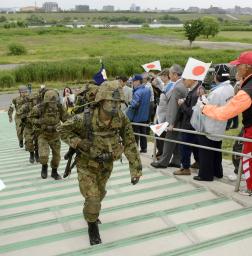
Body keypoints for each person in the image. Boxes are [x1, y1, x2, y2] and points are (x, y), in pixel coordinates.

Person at [58, 81, 142, 245]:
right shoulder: (85, 118)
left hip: (107, 164)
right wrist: (79, 143)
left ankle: (90, 210)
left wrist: (135, 170)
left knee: (100, 193)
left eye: (118, 102)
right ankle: (92, 226)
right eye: (111, 101)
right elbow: (62, 130)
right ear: (101, 100)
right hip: (86, 164)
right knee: (94, 197)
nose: (115, 105)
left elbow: (130, 143)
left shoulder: (121, 118)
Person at [202, 52, 252, 194]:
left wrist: (205, 108)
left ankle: (251, 189)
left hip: (251, 130)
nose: (236, 69)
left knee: (248, 159)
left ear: (247, 67)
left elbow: (225, 113)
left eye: (238, 66)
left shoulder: (247, 90)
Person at [194, 64, 234, 181]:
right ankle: (218, 172)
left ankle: (205, 175)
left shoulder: (217, 92)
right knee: (217, 151)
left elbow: (207, 108)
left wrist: (201, 98)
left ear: (216, 75)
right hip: (221, 123)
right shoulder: (230, 88)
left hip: (210, 124)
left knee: (206, 151)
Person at [151, 65, 187, 168]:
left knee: (169, 141)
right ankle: (176, 160)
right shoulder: (180, 84)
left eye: (170, 74)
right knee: (175, 141)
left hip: (174, 119)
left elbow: (173, 106)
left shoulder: (178, 87)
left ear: (175, 74)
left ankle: (163, 162)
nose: (169, 75)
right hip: (178, 119)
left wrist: (170, 122)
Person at [31, 89, 69, 180]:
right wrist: (39, 121)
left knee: (57, 156)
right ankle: (44, 167)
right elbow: (30, 118)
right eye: (50, 102)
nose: (53, 104)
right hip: (43, 135)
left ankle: (54, 172)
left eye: (54, 102)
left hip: (55, 135)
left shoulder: (60, 107)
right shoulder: (39, 108)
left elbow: (66, 119)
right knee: (43, 155)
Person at [173, 77, 205, 176]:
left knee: (185, 146)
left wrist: (182, 104)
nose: (183, 82)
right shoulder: (196, 90)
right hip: (193, 124)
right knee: (195, 145)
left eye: (185, 79)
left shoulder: (197, 92)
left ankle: (185, 168)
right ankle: (198, 162)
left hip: (189, 124)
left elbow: (191, 112)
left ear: (192, 79)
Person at [126, 74, 151, 153]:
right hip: (145, 115)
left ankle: (135, 148)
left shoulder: (137, 92)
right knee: (143, 132)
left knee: (135, 133)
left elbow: (134, 105)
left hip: (136, 116)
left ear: (137, 81)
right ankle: (144, 148)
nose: (132, 83)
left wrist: (130, 103)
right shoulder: (148, 90)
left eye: (133, 81)